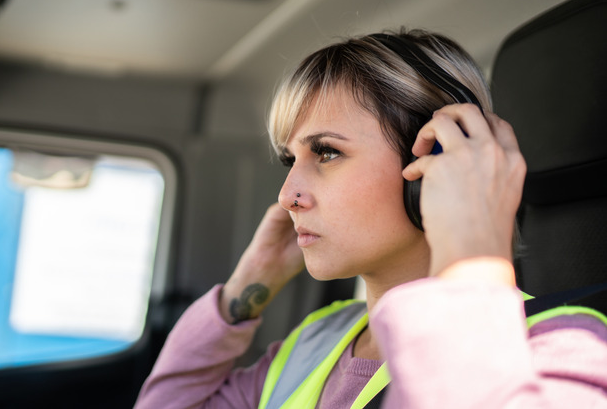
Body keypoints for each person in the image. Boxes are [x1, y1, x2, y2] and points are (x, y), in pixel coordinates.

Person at [134, 30, 607, 408]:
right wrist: (246, 287)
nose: (287, 195)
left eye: (327, 152)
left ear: (436, 162)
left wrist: (470, 261)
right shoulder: (315, 342)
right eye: (289, 160)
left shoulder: (565, 348)